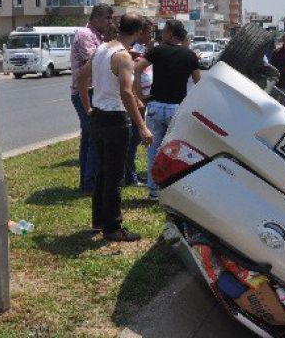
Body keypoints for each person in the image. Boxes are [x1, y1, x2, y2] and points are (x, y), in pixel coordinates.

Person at [77, 14, 152, 242]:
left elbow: (81, 79)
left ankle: (99, 220)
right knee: (114, 177)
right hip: (115, 121)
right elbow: (127, 92)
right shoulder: (123, 57)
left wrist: (89, 108)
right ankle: (113, 228)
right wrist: (142, 126)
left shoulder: (101, 49)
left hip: (98, 117)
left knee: (102, 172)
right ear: (138, 33)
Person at [134, 19, 201, 200]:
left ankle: (154, 191)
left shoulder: (157, 51)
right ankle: (173, 188)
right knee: (174, 152)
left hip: (155, 107)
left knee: (153, 151)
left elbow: (137, 70)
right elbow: (199, 84)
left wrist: (140, 95)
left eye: (164, 31)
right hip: (176, 109)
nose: (161, 34)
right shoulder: (190, 56)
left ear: (170, 33)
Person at [70, 4, 116, 195]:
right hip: (84, 92)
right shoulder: (85, 35)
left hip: (93, 91)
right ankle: (89, 185)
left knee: (89, 137)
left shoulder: (98, 36)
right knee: (94, 137)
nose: (109, 22)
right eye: (107, 18)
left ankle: (88, 182)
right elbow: (97, 61)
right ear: (96, 17)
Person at [123, 17, 155, 187]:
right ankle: (129, 175)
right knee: (133, 138)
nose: (151, 36)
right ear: (140, 32)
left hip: (143, 99)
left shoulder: (143, 49)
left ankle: (130, 173)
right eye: (149, 32)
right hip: (136, 100)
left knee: (134, 139)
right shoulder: (132, 50)